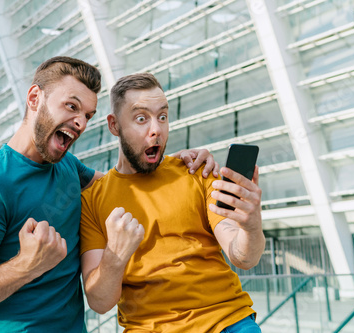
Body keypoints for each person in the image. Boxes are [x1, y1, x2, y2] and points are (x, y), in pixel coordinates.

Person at [0, 57, 218, 332]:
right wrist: (25, 266)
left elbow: (120, 182)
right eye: (71, 107)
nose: (81, 124)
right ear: (35, 98)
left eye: (87, 115)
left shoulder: (67, 165)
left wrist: (174, 164)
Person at [80, 73, 265, 333]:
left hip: (227, 320)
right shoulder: (92, 200)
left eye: (162, 117)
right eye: (141, 118)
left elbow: (242, 257)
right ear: (114, 125)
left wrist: (252, 225)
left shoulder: (197, 172)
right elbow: (99, 302)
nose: (156, 129)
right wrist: (115, 256)